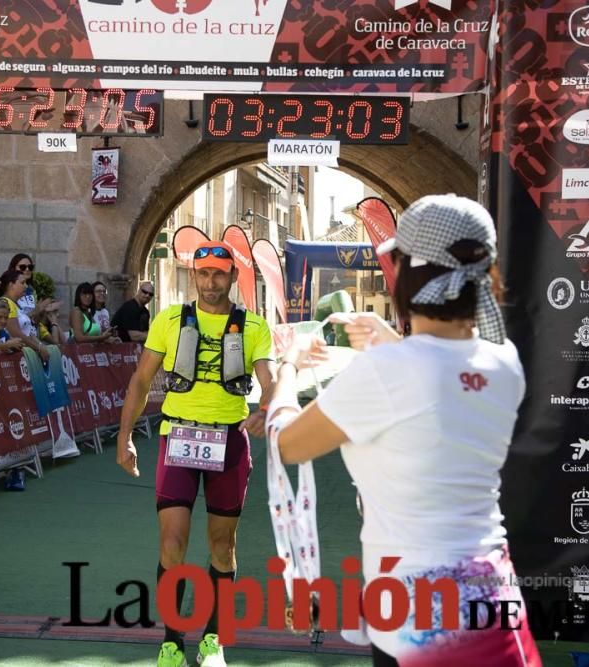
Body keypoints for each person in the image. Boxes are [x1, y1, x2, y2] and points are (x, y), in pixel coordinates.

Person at [265, 194, 541, 667]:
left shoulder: (391, 370)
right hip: (494, 599)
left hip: (417, 614)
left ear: (410, 275)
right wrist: (389, 341)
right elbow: (442, 380)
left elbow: (287, 442)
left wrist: (288, 367)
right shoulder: (504, 363)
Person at [116, 241, 275, 667]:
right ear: (193, 276)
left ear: (233, 277)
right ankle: (171, 641)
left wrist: (267, 407)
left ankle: (212, 638)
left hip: (229, 440)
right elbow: (140, 381)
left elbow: (269, 377)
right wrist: (124, 437)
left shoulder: (254, 326)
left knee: (223, 547)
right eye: (202, 274)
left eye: (219, 274)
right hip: (178, 436)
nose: (210, 282)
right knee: (172, 543)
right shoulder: (169, 320)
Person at [0, 270, 49, 363]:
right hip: (14, 358)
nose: (26, 286)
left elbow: (28, 332)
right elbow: (15, 333)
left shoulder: (16, 305)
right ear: (10, 285)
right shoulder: (6, 303)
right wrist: (38, 348)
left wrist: (40, 345)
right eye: (22, 283)